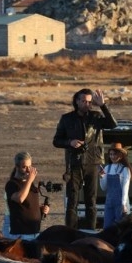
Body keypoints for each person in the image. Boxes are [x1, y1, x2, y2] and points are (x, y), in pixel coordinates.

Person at [53, 88, 117, 230]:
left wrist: (102, 105)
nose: (87, 104)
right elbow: (56, 140)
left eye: (89, 102)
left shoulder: (97, 116)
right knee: (72, 200)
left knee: (91, 201)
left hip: (93, 162)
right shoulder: (67, 118)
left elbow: (113, 124)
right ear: (76, 101)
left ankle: (90, 231)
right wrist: (70, 142)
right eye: (83, 101)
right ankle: (69, 232)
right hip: (74, 163)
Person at [4, 152, 51, 240]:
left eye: (30, 166)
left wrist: (41, 209)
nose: (28, 170)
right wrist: (29, 181)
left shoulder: (30, 184)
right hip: (21, 234)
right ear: (17, 167)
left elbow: (27, 205)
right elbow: (20, 198)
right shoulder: (12, 184)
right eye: (24, 167)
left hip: (34, 232)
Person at [99, 142, 132, 229]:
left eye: (115, 154)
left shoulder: (125, 169)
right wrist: (101, 177)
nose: (112, 156)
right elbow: (104, 187)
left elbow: (125, 188)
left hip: (120, 203)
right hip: (109, 202)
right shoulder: (107, 168)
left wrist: (123, 204)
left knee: (121, 228)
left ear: (121, 156)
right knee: (107, 228)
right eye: (111, 154)